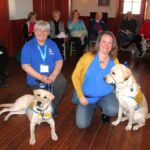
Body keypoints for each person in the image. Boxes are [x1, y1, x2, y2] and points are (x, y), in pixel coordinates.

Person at [72, 31, 119, 128]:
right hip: (87, 97)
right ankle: (91, 106)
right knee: (81, 125)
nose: (106, 45)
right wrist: (80, 96)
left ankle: (104, 110)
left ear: (113, 45)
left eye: (109, 42)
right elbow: (75, 76)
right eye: (104, 41)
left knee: (113, 110)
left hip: (105, 95)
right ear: (99, 42)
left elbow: (120, 77)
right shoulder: (87, 57)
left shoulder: (114, 60)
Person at [21, 20, 66, 115]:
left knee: (61, 82)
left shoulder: (52, 44)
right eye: (39, 30)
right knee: (42, 95)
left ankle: (52, 107)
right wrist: (41, 77)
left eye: (45, 30)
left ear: (48, 32)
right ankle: (44, 109)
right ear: (35, 31)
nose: (42, 33)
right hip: (36, 78)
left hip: (51, 74)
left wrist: (53, 75)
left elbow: (59, 61)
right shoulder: (28, 46)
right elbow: (25, 66)